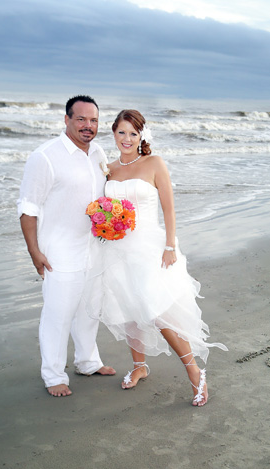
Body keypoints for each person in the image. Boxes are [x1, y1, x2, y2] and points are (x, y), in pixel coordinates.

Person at [84, 109, 226, 407]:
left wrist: (170, 246)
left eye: (133, 134)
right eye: (121, 132)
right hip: (116, 249)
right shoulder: (107, 169)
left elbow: (169, 209)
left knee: (158, 311)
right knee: (128, 308)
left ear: (142, 136)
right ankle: (139, 366)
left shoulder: (154, 163)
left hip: (150, 248)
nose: (127, 139)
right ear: (113, 133)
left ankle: (195, 372)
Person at [18, 95, 116, 397]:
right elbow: (27, 208)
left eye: (94, 120)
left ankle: (87, 361)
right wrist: (35, 252)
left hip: (94, 247)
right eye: (81, 119)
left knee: (90, 309)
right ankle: (53, 375)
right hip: (59, 251)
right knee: (58, 314)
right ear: (67, 120)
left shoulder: (98, 153)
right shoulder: (45, 156)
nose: (88, 126)